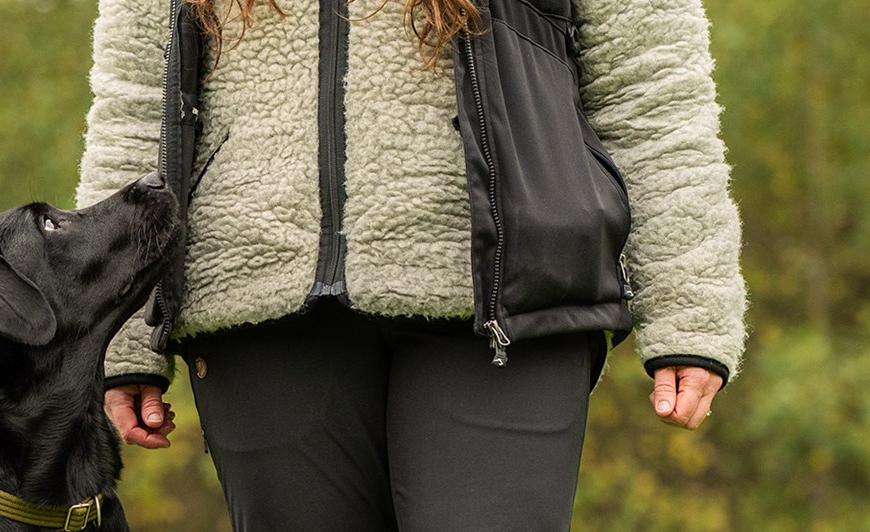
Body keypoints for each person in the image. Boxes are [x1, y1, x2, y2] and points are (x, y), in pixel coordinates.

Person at [73, 0, 745, 529]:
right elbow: (137, 106)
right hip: (257, 299)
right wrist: (118, 334)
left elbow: (652, 92)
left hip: (507, 299)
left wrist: (689, 309)